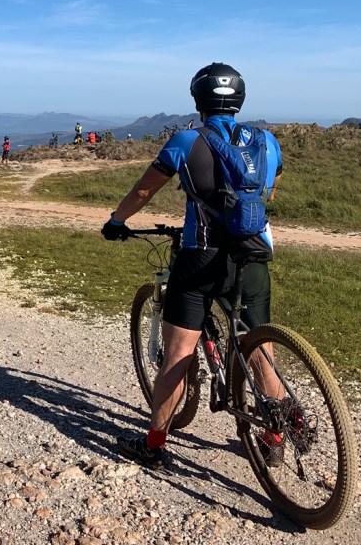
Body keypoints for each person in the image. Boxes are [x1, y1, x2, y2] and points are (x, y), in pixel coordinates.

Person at [101, 62, 283, 470]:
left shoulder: (186, 140)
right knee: (260, 347)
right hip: (252, 255)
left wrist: (117, 221)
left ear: (199, 98)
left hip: (200, 257)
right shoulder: (266, 141)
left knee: (179, 352)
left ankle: (153, 446)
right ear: (239, 98)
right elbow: (269, 191)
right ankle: (275, 435)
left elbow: (144, 190)